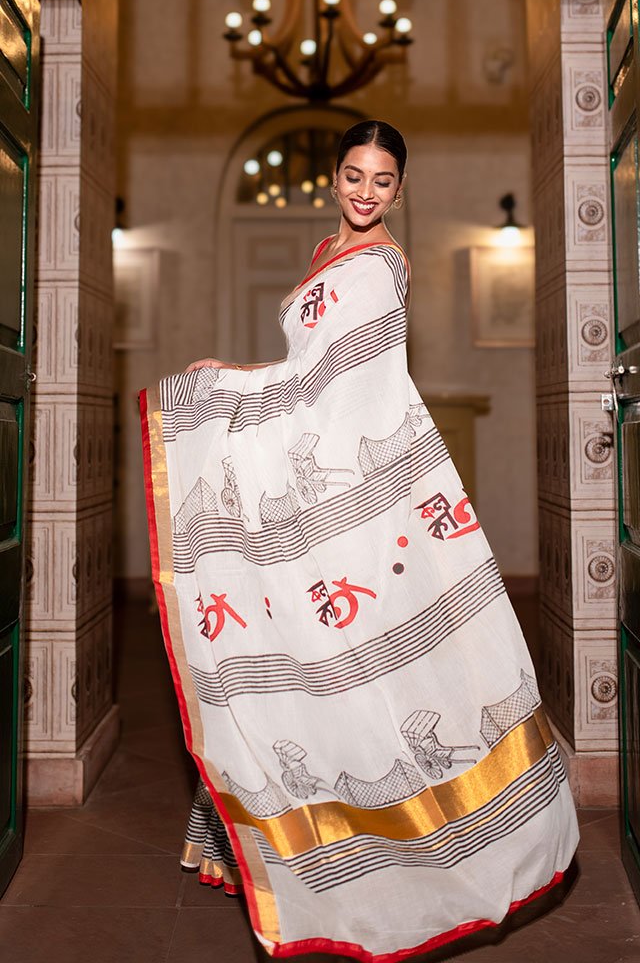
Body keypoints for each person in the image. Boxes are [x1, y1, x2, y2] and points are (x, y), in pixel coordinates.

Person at [140, 120, 578, 960]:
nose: (365, 191)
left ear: (399, 191)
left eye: (382, 180)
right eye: (353, 175)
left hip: (351, 497)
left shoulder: (378, 268)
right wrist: (238, 378)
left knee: (364, 670)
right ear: (334, 178)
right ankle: (296, 850)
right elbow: (310, 375)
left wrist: (229, 386)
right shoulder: (326, 254)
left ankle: (415, 858)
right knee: (301, 664)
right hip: (313, 476)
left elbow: (341, 390)